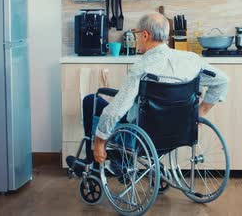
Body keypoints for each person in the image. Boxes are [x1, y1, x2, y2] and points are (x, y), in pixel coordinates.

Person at [93, 13, 229, 163]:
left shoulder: (142, 67)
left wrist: (99, 141)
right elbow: (222, 80)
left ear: (145, 35)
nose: (136, 38)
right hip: (179, 131)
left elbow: (117, 109)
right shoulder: (191, 60)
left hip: (144, 134)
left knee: (91, 102)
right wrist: (200, 112)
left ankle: (98, 164)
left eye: (136, 34)